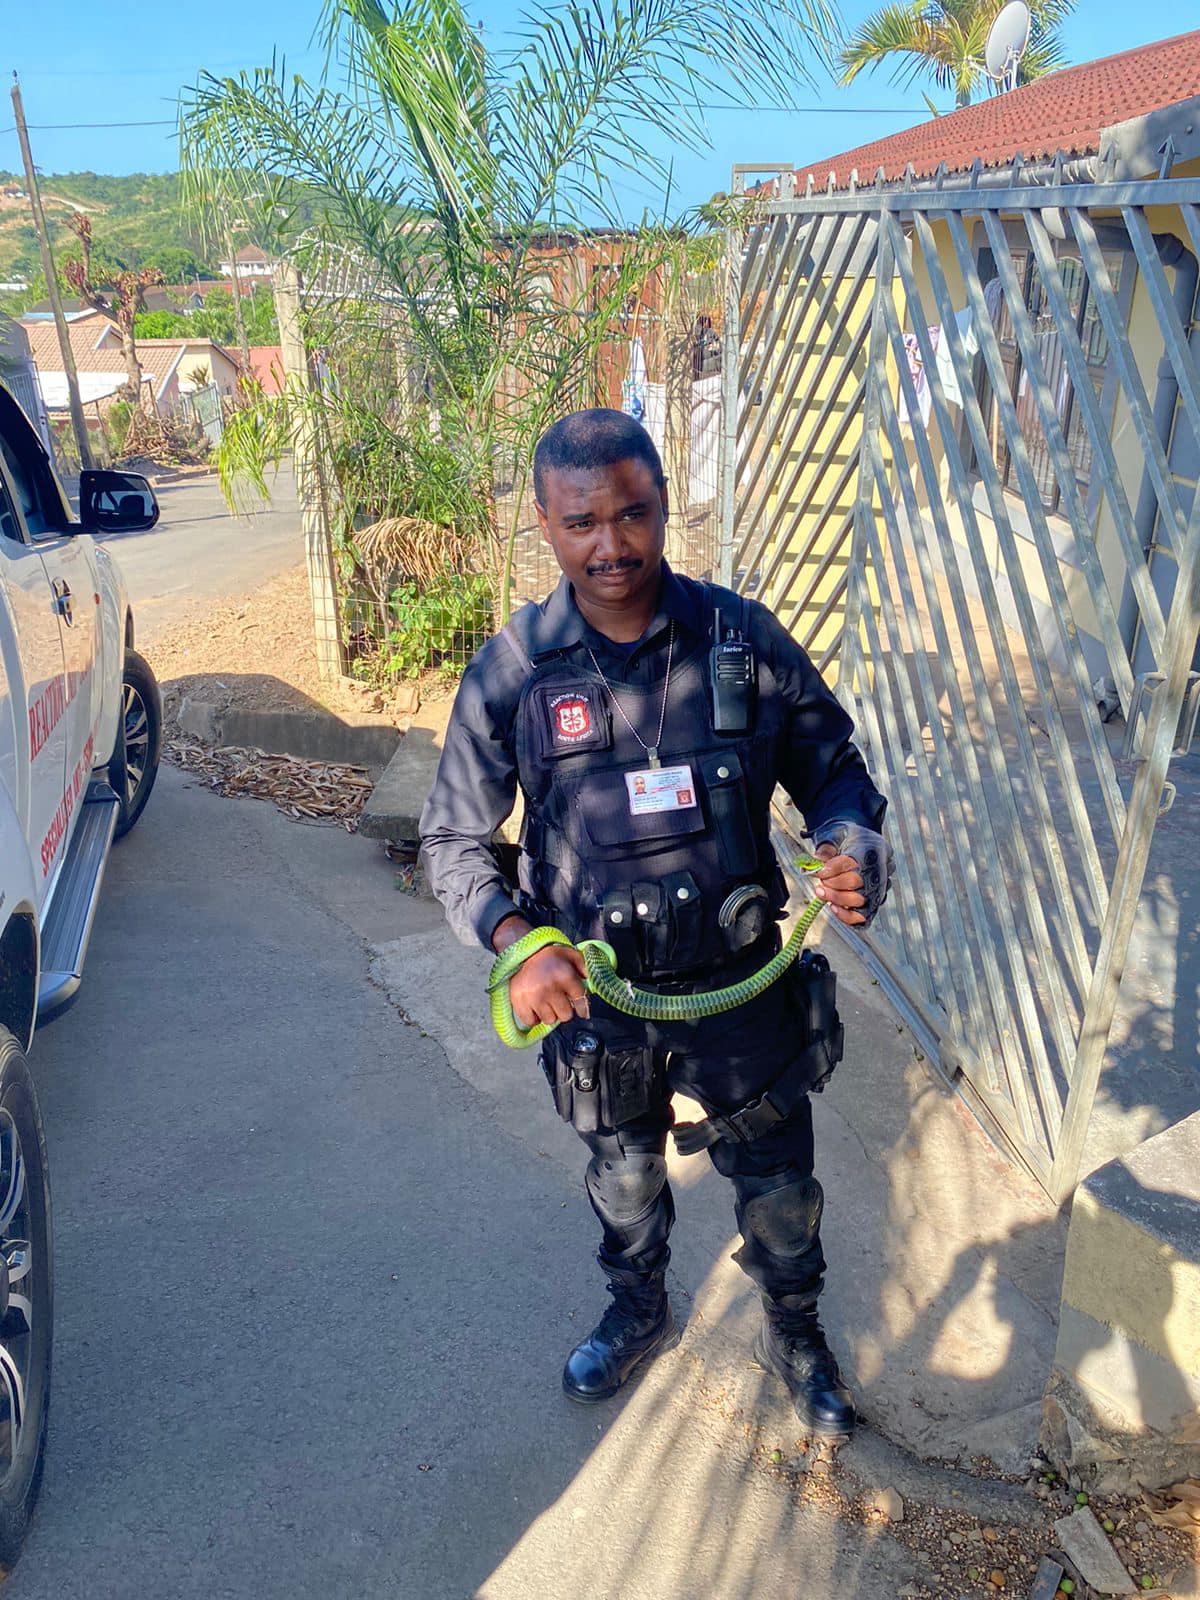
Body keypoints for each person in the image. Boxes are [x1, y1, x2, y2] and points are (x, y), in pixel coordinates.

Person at [420, 409, 891, 1439]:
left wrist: (854, 841)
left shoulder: (742, 638)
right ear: (545, 521)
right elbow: (452, 839)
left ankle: (797, 1330)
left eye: (633, 514)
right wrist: (515, 939)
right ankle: (637, 1306)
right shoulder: (514, 672)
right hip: (601, 1001)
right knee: (624, 1176)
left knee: (780, 1186)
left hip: (742, 988)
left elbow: (836, 770)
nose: (612, 545)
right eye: (582, 520)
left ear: (664, 504)